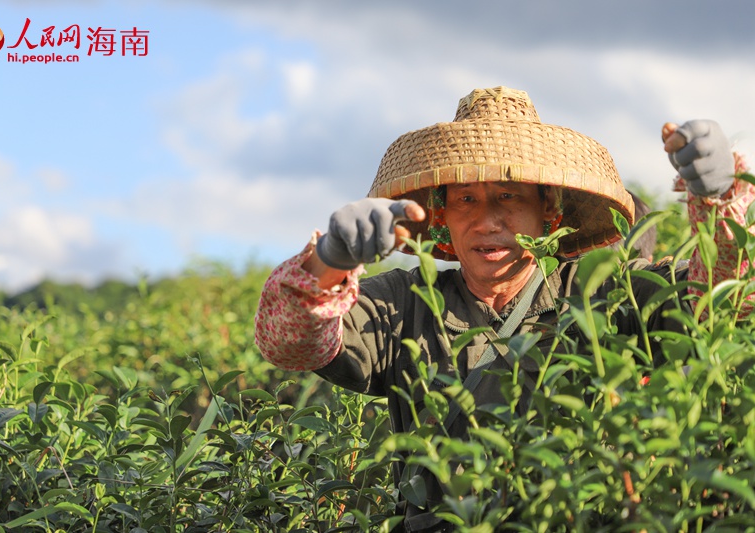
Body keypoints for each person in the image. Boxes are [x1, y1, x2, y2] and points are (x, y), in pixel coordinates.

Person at [254, 87, 753, 531]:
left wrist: (723, 200)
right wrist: (329, 262)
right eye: (466, 199)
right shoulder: (406, 304)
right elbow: (289, 342)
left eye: (508, 196)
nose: (487, 220)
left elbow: (730, 304)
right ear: (443, 218)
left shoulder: (605, 294)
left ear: (549, 210)